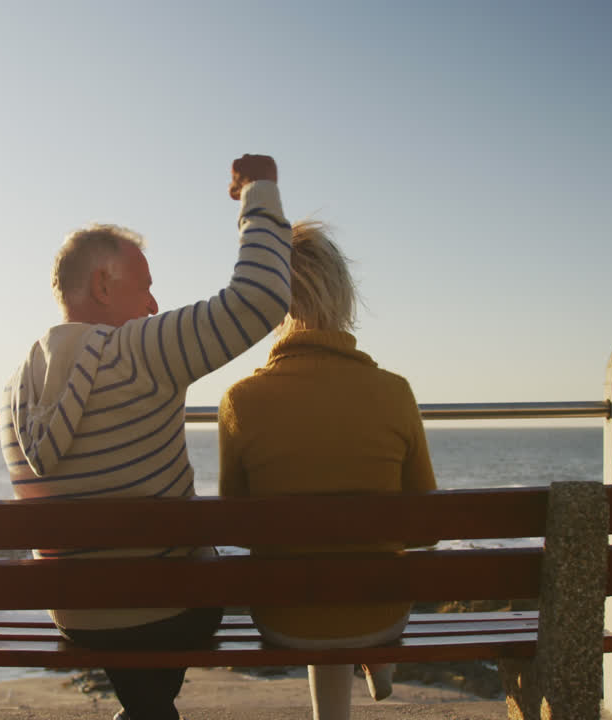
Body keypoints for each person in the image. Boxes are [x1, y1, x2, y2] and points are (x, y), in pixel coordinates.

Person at [0, 154, 292, 720]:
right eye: (146, 287)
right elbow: (260, 297)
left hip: (76, 618)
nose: (156, 305)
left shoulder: (14, 390)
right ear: (104, 285)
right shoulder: (142, 351)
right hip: (170, 611)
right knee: (188, 581)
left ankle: (144, 711)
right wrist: (260, 190)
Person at [217, 221, 436, 720]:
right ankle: (375, 664)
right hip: (380, 614)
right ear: (344, 296)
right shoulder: (394, 392)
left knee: (311, 578)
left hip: (285, 618)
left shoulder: (240, 401)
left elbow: (235, 521)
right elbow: (427, 529)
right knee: (357, 574)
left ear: (271, 302)